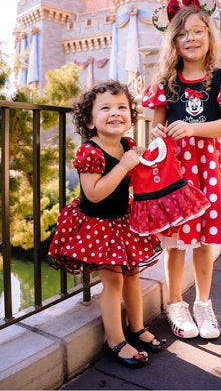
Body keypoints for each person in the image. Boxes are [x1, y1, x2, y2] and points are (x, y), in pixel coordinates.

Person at [142, 0, 221, 340]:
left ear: (209, 35)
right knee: (173, 242)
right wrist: (160, 132)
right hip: (174, 173)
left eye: (198, 31)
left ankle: (203, 302)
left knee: (203, 241)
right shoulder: (165, 85)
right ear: (173, 41)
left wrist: (192, 128)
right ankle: (175, 302)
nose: (191, 38)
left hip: (208, 169)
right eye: (183, 33)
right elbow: (157, 129)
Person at [48, 81, 163, 368]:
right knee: (113, 282)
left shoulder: (127, 144)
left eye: (122, 107)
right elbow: (94, 193)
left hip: (122, 222)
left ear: (131, 116)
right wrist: (124, 165)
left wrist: (145, 161)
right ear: (89, 120)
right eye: (106, 108)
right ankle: (115, 339)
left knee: (132, 274)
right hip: (97, 226)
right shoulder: (90, 151)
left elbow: (136, 179)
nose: (115, 113)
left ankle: (136, 328)